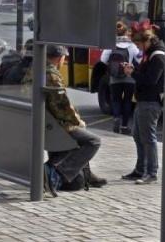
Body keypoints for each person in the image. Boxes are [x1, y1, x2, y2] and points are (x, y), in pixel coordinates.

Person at [26, 46, 107, 197]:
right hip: (56, 125)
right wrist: (77, 121)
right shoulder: (52, 75)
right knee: (93, 141)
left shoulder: (34, 69)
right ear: (59, 57)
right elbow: (62, 105)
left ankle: (85, 175)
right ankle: (56, 172)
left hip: (45, 121)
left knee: (77, 182)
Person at [122, 29, 165, 185]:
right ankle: (140, 169)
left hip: (151, 101)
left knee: (148, 138)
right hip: (143, 100)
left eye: (139, 44)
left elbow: (150, 80)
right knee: (138, 135)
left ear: (147, 41)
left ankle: (151, 172)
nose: (138, 48)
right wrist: (133, 69)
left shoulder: (158, 56)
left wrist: (132, 74)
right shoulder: (151, 53)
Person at [100, 22, 140, 134]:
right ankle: (124, 126)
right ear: (126, 32)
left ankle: (116, 118)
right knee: (127, 101)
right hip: (129, 77)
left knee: (116, 100)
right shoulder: (132, 46)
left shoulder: (111, 44)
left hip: (114, 77)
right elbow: (139, 60)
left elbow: (103, 60)